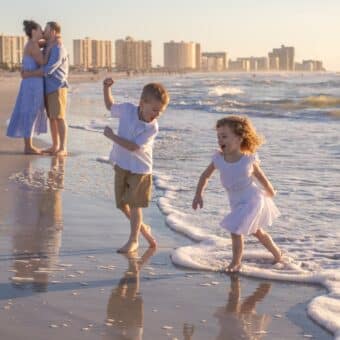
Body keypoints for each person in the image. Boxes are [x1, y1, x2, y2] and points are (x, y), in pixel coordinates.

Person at [192, 115, 282, 272]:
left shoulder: (247, 159)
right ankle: (278, 255)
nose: (220, 140)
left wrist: (270, 190)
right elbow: (205, 176)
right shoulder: (219, 159)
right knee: (257, 232)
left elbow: (261, 177)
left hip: (252, 200)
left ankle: (236, 263)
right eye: (218, 136)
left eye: (225, 136)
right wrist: (198, 194)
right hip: (236, 202)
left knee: (235, 230)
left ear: (240, 138)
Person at [103, 77, 170, 253]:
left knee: (134, 205)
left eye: (161, 112)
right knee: (121, 204)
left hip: (140, 169)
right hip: (121, 163)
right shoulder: (127, 110)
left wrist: (111, 136)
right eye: (155, 109)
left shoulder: (152, 128)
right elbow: (110, 106)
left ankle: (134, 240)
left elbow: (133, 147)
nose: (156, 114)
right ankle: (143, 228)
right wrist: (106, 88)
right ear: (142, 103)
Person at [22, 21, 69, 156]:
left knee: (60, 117)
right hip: (48, 88)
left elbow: (49, 69)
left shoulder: (58, 48)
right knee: (52, 118)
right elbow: (33, 50)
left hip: (57, 87)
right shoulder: (49, 46)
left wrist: (28, 74)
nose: (44, 32)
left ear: (53, 31)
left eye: (46, 30)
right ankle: (55, 146)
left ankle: (63, 148)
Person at [6, 20, 48, 154]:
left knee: (28, 111)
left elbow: (43, 44)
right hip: (33, 84)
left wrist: (49, 42)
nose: (42, 32)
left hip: (30, 83)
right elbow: (43, 62)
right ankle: (28, 147)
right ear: (33, 31)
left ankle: (28, 146)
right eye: (40, 29)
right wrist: (51, 48)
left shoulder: (31, 44)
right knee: (31, 112)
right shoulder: (33, 46)